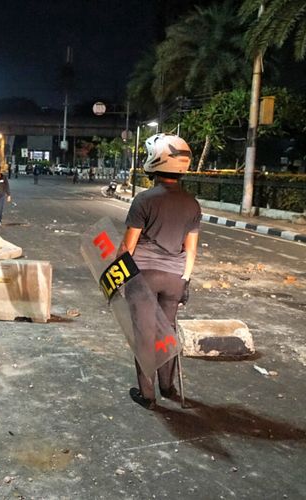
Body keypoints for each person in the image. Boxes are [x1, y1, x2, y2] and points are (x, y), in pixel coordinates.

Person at [118, 134, 200, 410]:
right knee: (167, 332)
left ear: (156, 160)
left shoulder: (144, 201)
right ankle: (168, 387)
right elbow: (191, 251)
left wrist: (116, 279)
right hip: (176, 279)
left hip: (144, 277)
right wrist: (185, 281)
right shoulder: (192, 204)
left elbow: (127, 248)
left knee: (145, 333)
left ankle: (148, 394)